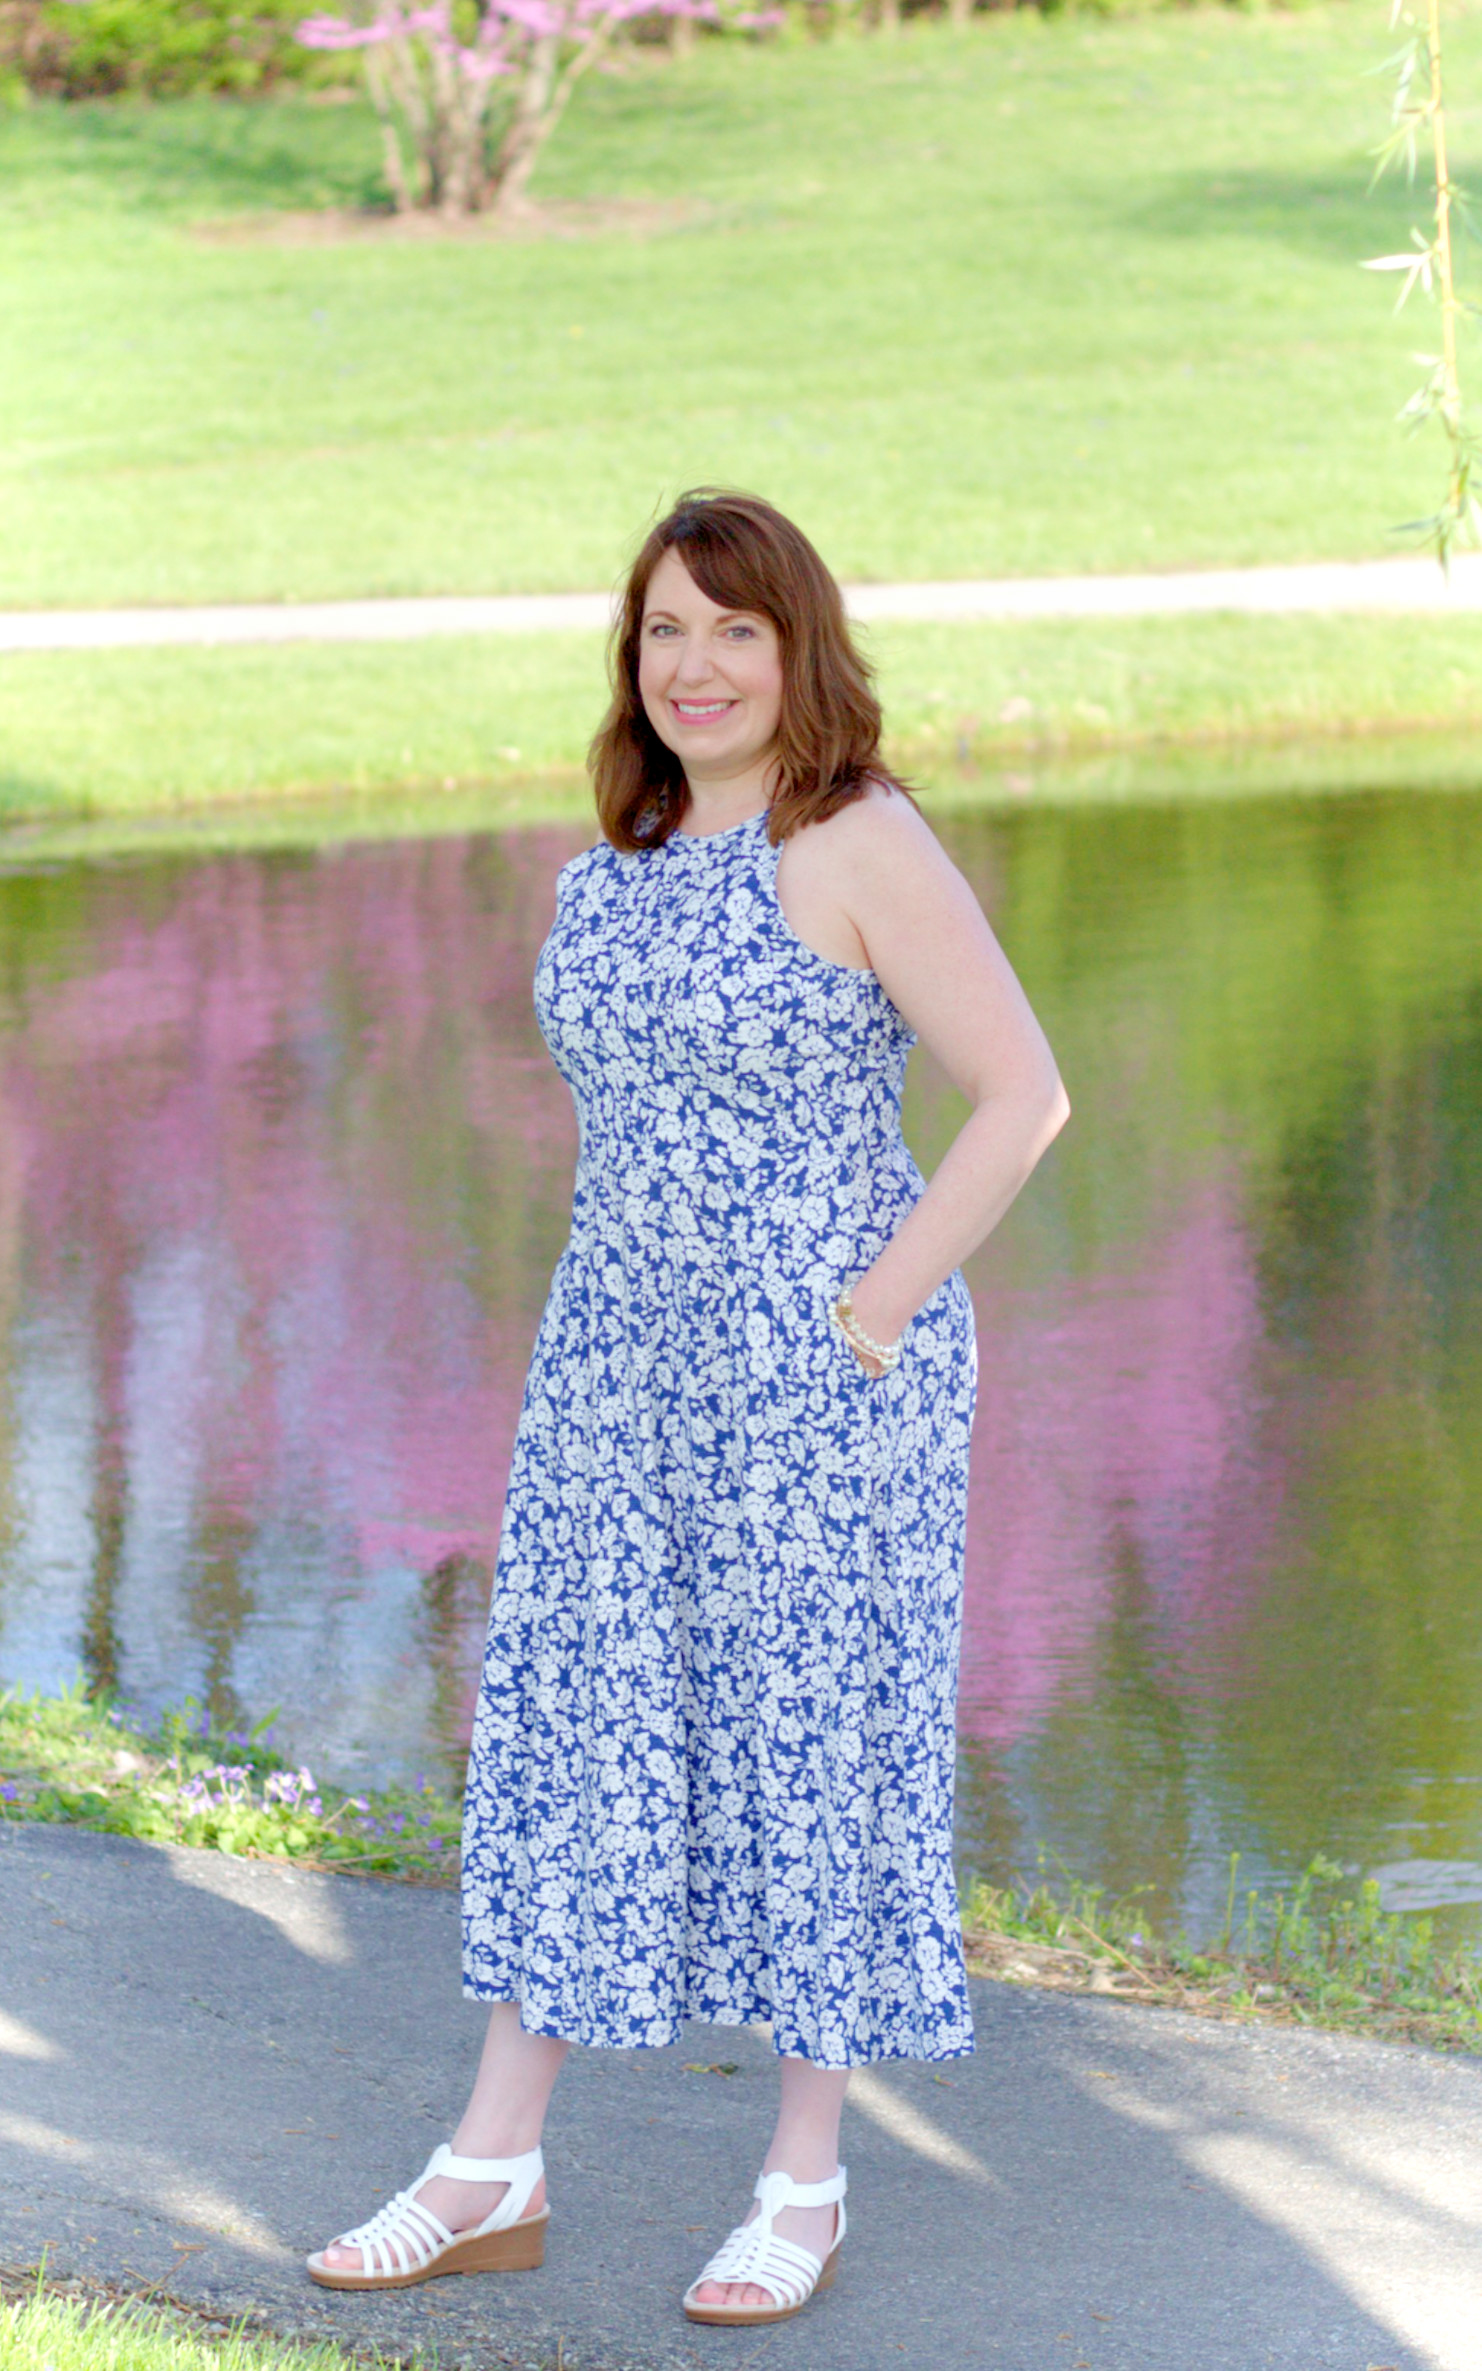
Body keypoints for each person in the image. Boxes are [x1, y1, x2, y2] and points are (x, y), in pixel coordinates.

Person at [307, 489, 1069, 2328]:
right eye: (664, 631)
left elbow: (1022, 1096)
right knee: (579, 1729)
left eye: (734, 628)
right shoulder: (613, 867)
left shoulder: (858, 839)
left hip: (824, 1379)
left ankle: (801, 2184)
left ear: (798, 648)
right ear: (629, 662)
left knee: (813, 1745)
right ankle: (492, 2166)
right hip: (617, 1376)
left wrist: (874, 1315)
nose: (696, 666)